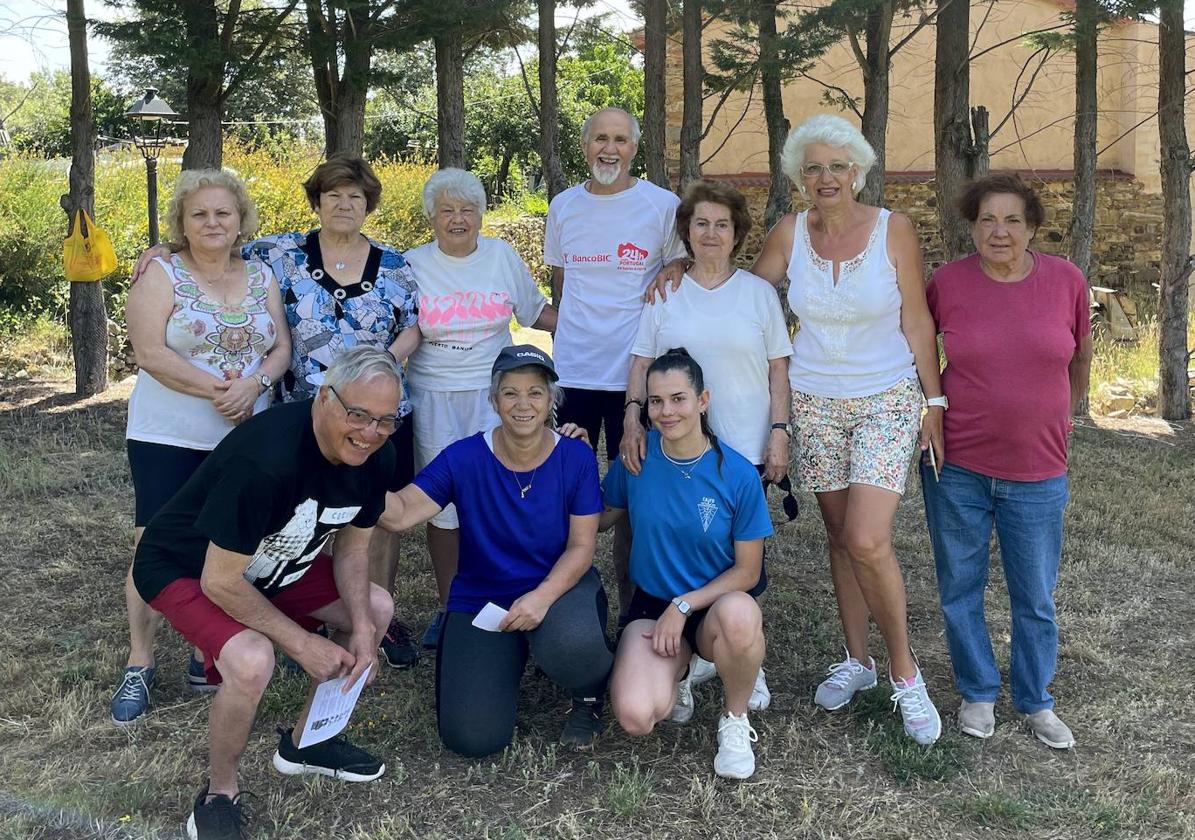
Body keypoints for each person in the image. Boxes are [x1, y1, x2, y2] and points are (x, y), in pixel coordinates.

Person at [134, 154, 423, 670]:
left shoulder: (397, 264)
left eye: (355, 196)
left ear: (368, 205)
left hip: (372, 411)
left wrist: (382, 366)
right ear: (316, 201)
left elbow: (416, 324)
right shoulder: (280, 254)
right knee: (245, 528)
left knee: (356, 520)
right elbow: (212, 239)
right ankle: (169, 651)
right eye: (332, 194)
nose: (343, 204)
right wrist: (168, 248)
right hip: (298, 418)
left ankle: (360, 618)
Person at [131, 346, 402, 840]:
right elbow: (220, 580)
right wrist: (301, 643)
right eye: (358, 415)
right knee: (253, 659)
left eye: (386, 421)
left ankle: (307, 744)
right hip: (187, 565)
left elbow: (354, 550)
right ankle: (219, 794)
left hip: (270, 565)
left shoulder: (377, 454)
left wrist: (362, 628)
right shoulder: (266, 459)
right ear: (324, 398)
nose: (370, 433)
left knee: (378, 606)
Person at [749, 114, 946, 744]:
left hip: (886, 397)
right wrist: (678, 272)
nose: (826, 177)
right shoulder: (789, 231)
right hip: (813, 400)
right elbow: (746, 297)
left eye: (838, 166)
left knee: (867, 538)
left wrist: (933, 401)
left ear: (857, 171)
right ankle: (857, 661)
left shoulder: (894, 230)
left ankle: (905, 674)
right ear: (798, 177)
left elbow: (918, 320)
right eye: (813, 167)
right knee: (837, 534)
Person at [112, 168, 291, 726]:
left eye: (223, 213)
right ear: (182, 225)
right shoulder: (161, 272)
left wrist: (255, 385)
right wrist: (220, 391)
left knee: (224, 545)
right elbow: (148, 352)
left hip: (242, 437)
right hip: (168, 434)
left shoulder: (262, 273)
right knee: (155, 544)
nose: (212, 222)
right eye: (199, 214)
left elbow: (280, 345)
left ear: (241, 221)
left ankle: (204, 653)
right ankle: (140, 662)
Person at [921, 174, 1091, 749]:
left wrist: (1064, 415)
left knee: (1035, 595)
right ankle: (977, 691)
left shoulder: (1066, 280)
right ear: (972, 226)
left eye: (1012, 220)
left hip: (1040, 468)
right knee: (960, 585)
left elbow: (1079, 358)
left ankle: (1037, 699)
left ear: (1032, 227)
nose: (999, 231)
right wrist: (929, 413)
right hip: (958, 465)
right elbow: (918, 353)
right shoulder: (946, 283)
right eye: (987, 220)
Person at [379, 345, 613, 756]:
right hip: (482, 601)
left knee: (573, 645)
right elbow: (399, 514)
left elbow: (581, 548)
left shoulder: (575, 456)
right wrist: (345, 477)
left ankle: (590, 695)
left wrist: (540, 600)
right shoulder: (464, 456)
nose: (523, 404)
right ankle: (509, 652)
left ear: (551, 399)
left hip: (557, 587)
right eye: (510, 392)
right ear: (493, 399)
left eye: (535, 392)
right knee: (472, 738)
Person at [622, 179, 791, 711]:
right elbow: (642, 363)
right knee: (681, 536)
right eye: (701, 224)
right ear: (686, 233)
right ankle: (690, 655)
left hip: (743, 445)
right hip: (675, 440)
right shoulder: (666, 290)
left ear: (737, 233)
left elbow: (778, 371)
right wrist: (631, 419)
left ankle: (743, 655)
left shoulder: (759, 295)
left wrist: (780, 433)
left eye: (722, 224)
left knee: (738, 554)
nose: (711, 233)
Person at [403, 168, 558, 650]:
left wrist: (612, 325)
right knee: (443, 508)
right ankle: (453, 608)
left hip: (500, 400)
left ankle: (513, 596)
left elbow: (539, 315)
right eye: (446, 210)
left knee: (506, 497)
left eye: (467, 209)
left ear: (481, 215)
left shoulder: (501, 256)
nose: (457, 219)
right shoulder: (408, 264)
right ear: (431, 216)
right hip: (434, 397)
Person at [544, 107, 688, 622]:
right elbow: (562, 285)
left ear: (635, 147)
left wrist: (674, 262)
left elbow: (682, 262)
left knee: (637, 501)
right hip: (576, 375)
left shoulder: (662, 205)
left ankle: (635, 614)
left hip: (639, 376)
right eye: (600, 138)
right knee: (565, 496)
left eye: (621, 140)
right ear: (584, 146)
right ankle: (566, 608)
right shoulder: (563, 206)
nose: (610, 149)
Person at [603, 349, 771, 780]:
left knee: (741, 614)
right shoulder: (636, 456)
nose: (665, 411)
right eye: (655, 401)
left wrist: (683, 606)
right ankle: (685, 669)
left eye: (678, 398)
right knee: (636, 716)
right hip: (652, 606)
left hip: (712, 608)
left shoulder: (736, 473)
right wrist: (574, 459)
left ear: (703, 400)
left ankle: (734, 719)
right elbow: (600, 520)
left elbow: (748, 572)